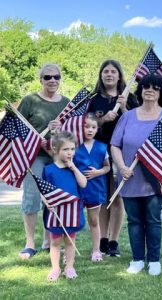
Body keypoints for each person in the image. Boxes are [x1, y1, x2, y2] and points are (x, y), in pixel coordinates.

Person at [110, 73, 162, 276]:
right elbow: (115, 145)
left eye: (155, 87)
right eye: (145, 86)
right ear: (140, 90)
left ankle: (154, 260)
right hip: (129, 177)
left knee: (152, 220)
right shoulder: (127, 116)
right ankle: (137, 260)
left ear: (161, 92)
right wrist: (122, 166)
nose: (149, 90)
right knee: (134, 220)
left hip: (155, 180)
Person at [18, 63, 69, 259]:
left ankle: (50, 241)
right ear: (41, 80)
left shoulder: (66, 103)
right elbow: (19, 127)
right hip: (34, 157)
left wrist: (58, 132)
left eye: (56, 77)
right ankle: (30, 243)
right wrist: (40, 136)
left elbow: (71, 135)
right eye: (47, 77)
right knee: (31, 198)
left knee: (54, 199)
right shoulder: (30, 100)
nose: (52, 80)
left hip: (56, 158)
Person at [88, 60, 139, 257]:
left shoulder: (130, 98)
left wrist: (125, 109)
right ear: (101, 75)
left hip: (122, 152)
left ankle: (114, 241)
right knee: (102, 197)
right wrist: (102, 120)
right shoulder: (94, 100)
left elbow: (138, 125)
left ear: (119, 75)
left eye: (113, 71)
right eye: (105, 71)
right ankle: (101, 239)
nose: (109, 74)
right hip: (100, 152)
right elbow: (87, 126)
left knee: (117, 197)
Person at [43, 131, 87, 281]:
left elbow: (83, 183)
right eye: (66, 149)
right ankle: (55, 268)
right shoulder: (49, 170)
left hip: (72, 211)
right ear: (55, 150)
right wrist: (46, 202)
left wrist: (74, 168)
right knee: (55, 241)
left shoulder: (75, 168)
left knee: (70, 240)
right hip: (56, 211)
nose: (70, 153)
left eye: (72, 149)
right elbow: (44, 192)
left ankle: (69, 267)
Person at [73, 113, 110, 262]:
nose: (89, 130)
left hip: (95, 188)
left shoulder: (102, 147)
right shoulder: (74, 146)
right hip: (76, 189)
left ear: (97, 129)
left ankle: (96, 250)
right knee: (73, 221)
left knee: (94, 220)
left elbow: (107, 167)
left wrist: (98, 172)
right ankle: (70, 250)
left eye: (93, 127)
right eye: (86, 126)